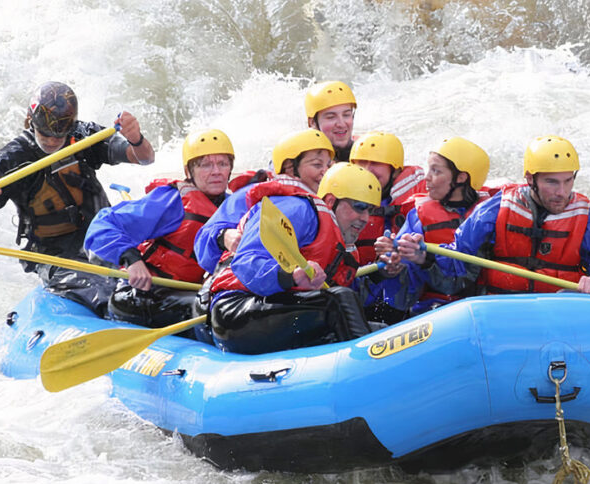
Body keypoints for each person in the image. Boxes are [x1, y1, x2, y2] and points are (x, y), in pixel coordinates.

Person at [0, 81, 154, 315]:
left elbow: (144, 158)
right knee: (105, 291)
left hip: (103, 237)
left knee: (152, 276)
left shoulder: (83, 135)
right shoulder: (14, 156)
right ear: (31, 121)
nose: (53, 141)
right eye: (46, 134)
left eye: (60, 135)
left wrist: (135, 138)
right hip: (56, 256)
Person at [398, 135, 590, 302]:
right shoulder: (497, 209)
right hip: (501, 313)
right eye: (552, 182)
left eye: (568, 181)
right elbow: (457, 263)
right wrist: (425, 258)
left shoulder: (586, 217)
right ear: (530, 179)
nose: (562, 192)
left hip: (557, 312)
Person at [205, 162, 381, 354]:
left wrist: (384, 274)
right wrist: (290, 276)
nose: (365, 218)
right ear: (330, 201)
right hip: (234, 311)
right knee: (338, 301)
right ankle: (368, 365)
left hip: (280, 311)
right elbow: (245, 261)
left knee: (374, 326)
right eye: (359, 207)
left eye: (369, 210)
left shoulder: (343, 249)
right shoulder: (297, 209)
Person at [84, 129, 233, 328]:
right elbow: (102, 224)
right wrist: (131, 259)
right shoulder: (170, 201)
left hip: (189, 292)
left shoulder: (234, 206)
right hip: (142, 293)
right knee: (217, 312)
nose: (216, 171)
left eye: (222, 164)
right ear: (189, 172)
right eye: (205, 165)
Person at [193, 128, 335, 275]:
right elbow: (203, 240)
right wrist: (223, 236)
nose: (326, 172)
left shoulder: (332, 201)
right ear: (290, 168)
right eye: (318, 165)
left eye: (329, 166)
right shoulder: (250, 195)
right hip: (241, 280)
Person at [378, 137, 493, 315]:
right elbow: (399, 301)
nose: (427, 177)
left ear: (461, 178)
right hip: (433, 313)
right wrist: (395, 265)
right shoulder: (418, 218)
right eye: (428, 169)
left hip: (485, 308)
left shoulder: (492, 214)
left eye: (436, 171)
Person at [347, 131, 426, 323]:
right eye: (361, 164)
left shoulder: (417, 204)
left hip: (402, 302)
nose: (367, 170)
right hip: (360, 293)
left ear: (395, 170)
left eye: (375, 163)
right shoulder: (342, 202)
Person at [305, 80, 356, 161]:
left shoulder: (368, 151)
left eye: (346, 115)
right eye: (331, 117)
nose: (341, 124)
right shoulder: (301, 163)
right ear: (312, 123)